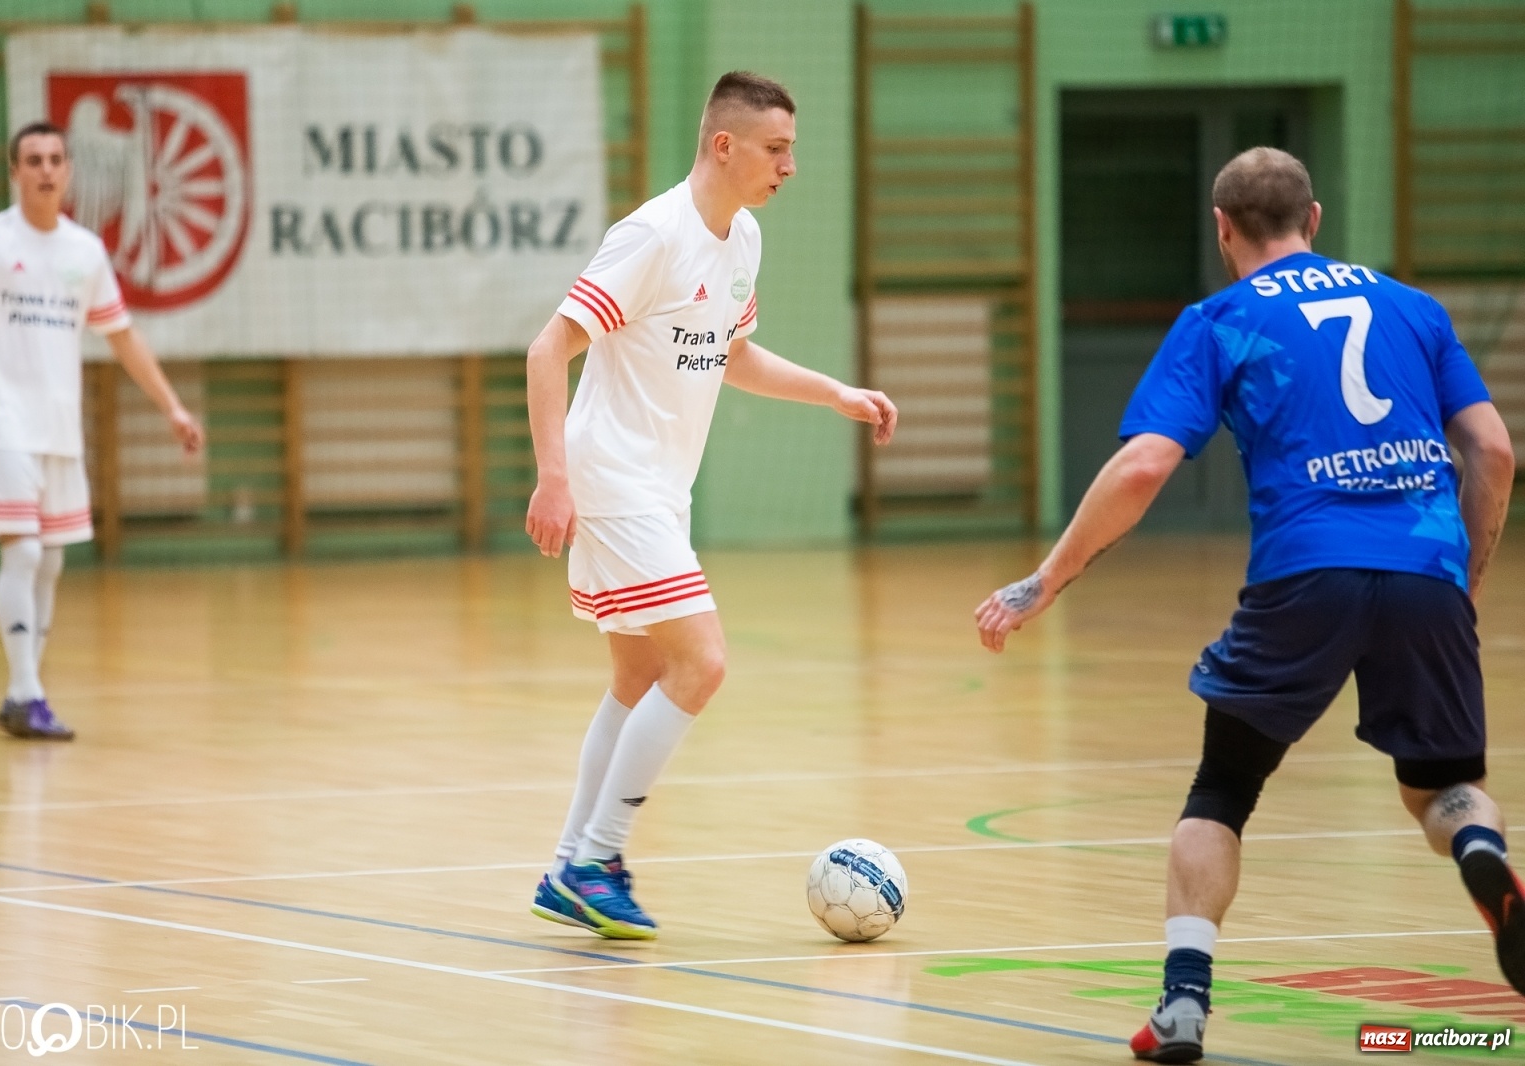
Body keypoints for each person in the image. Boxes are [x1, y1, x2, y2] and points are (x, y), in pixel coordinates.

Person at [974, 147, 1518, 1063]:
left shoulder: (1219, 318)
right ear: (1312, 219)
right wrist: (1460, 579)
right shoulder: (1412, 307)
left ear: (1222, 229)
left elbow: (1146, 464)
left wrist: (1045, 580)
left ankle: (1184, 1002)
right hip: (1426, 569)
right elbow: (1494, 453)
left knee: (1222, 792)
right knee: (1444, 789)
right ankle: (1481, 855)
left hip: (1306, 572)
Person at [523, 71, 897, 939]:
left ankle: (566, 865)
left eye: (792, 149)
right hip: (612, 480)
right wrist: (553, 477)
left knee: (638, 674)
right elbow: (549, 350)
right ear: (724, 146)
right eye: (777, 149)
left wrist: (835, 392)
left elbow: (733, 355)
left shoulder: (744, 240)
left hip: (659, 487)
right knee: (703, 662)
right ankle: (595, 860)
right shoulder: (652, 234)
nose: (790, 166)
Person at [0, 121, 204, 741]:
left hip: (58, 429)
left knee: (49, 560)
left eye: (56, 159)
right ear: (14, 172)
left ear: (68, 171)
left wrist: (173, 408)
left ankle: (20, 691)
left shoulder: (85, 252)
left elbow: (123, 336)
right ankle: (27, 693)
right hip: (0, 421)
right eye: (33, 160)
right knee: (22, 550)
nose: (46, 170)